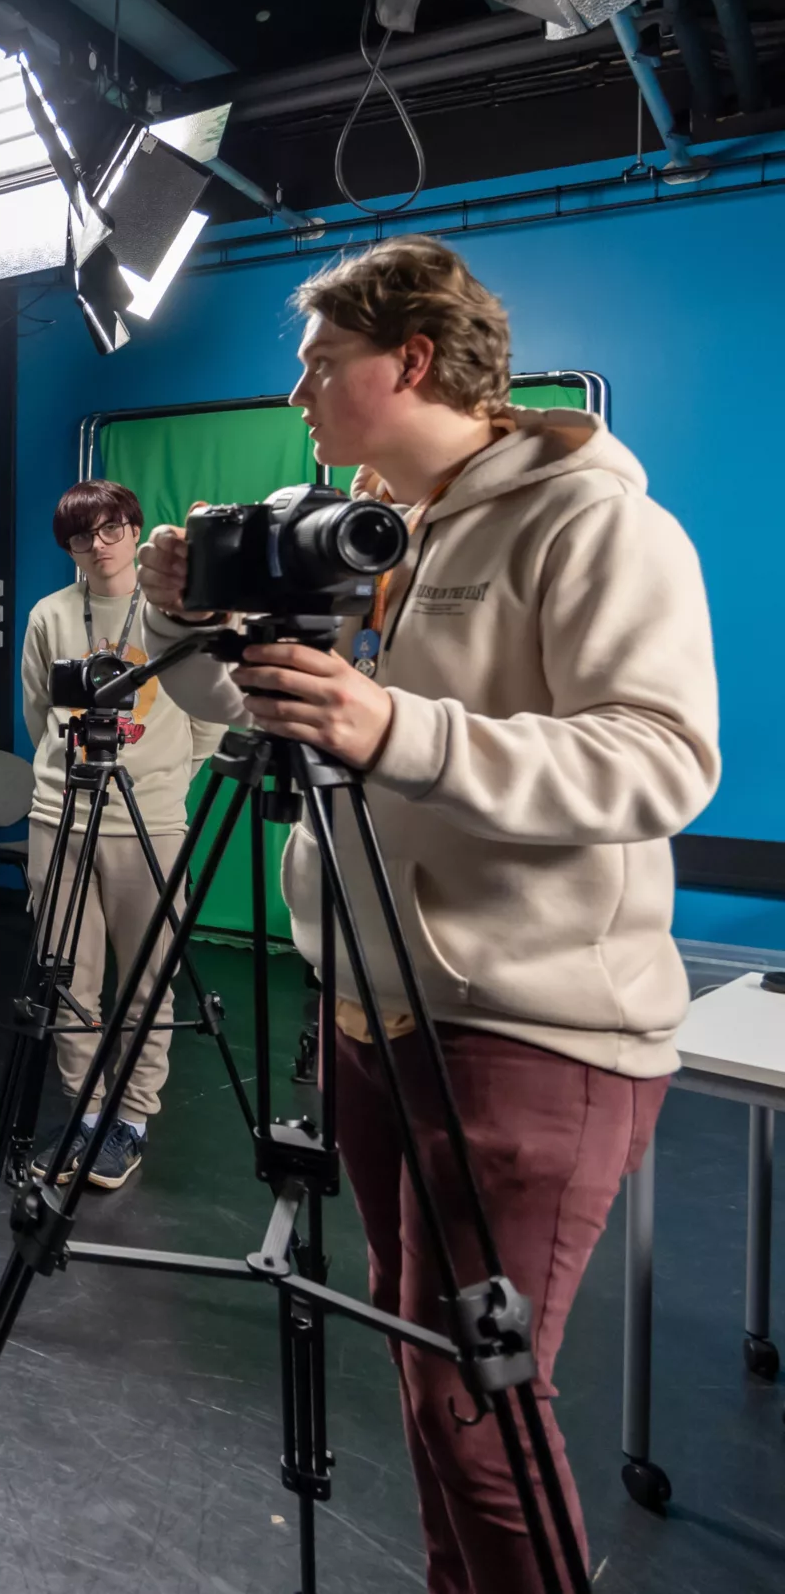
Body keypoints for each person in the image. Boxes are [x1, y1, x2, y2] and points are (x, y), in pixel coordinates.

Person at [136, 236, 718, 1594]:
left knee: (479, 1412)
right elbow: (281, 718)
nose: (298, 395)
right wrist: (204, 629)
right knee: (427, 1382)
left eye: (317, 363)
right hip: (373, 1014)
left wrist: (403, 726)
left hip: (527, 1034)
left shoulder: (596, 521)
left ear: (405, 361)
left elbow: (662, 762)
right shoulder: (381, 542)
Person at [19, 479, 228, 1191]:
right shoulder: (49, 614)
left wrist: (166, 779)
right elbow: (39, 714)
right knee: (69, 982)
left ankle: (131, 1120)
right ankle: (86, 1112)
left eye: (111, 530)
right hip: (61, 815)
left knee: (147, 979)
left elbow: (210, 715)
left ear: (135, 530)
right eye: (82, 536)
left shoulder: (173, 612)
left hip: (150, 820)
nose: (98, 546)